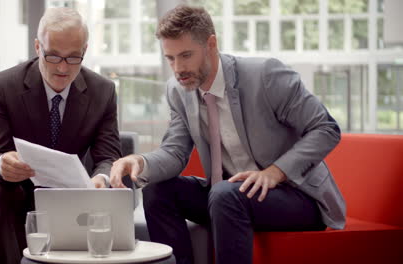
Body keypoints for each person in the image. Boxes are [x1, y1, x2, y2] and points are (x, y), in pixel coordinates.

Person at [110, 5, 345, 264]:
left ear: (211, 44)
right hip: (228, 197)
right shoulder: (179, 91)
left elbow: (326, 128)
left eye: (186, 55)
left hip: (295, 196)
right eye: (171, 58)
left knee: (224, 194)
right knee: (158, 191)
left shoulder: (265, 75)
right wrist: (140, 162)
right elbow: (175, 152)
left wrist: (274, 172)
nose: (178, 68)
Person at [0, 8, 121, 264]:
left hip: (62, 193)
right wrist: (2, 165)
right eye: (53, 56)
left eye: (73, 57)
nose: (63, 68)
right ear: (38, 46)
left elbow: (108, 155)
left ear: (84, 51)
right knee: (4, 192)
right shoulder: (3, 85)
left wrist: (100, 178)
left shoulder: (103, 91)